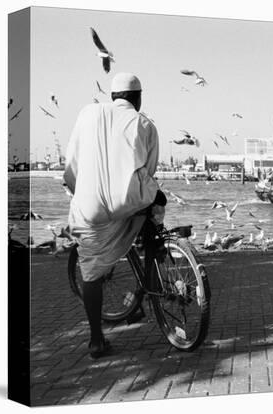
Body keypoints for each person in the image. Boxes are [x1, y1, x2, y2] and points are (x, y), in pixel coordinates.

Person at [63, 73, 165, 359]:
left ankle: (96, 340)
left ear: (112, 97)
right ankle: (148, 282)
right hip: (128, 203)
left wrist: (79, 190)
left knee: (92, 273)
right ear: (138, 97)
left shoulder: (87, 114)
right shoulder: (145, 123)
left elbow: (71, 165)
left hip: (91, 208)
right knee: (151, 212)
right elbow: (149, 170)